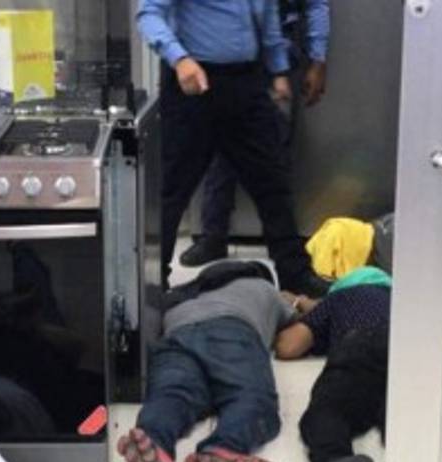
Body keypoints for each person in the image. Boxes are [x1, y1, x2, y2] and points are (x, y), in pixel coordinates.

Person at [136, 0, 331, 297]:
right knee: (172, 189)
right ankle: (151, 281)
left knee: (273, 182)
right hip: (194, 82)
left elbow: (266, 14)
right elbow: (148, 14)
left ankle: (296, 275)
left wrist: (278, 69)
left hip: (247, 82)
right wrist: (179, 58)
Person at [118, 260, 300, 462]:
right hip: (232, 330)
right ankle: (223, 448)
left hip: (176, 333)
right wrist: (297, 301)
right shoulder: (265, 288)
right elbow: (300, 325)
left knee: (173, 395)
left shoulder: (183, 294)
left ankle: (153, 438)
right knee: (251, 398)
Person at [180, 0, 332, 268]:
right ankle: (214, 235)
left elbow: (316, 5)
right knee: (221, 145)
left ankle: (282, 247)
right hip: (228, 51)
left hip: (280, 53)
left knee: (273, 154)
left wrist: (318, 60)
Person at [274, 282, 390, 462]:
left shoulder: (341, 297)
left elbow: (288, 346)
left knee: (328, 412)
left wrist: (302, 307)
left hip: (360, 347)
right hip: (410, 353)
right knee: (408, 418)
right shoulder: (409, 301)